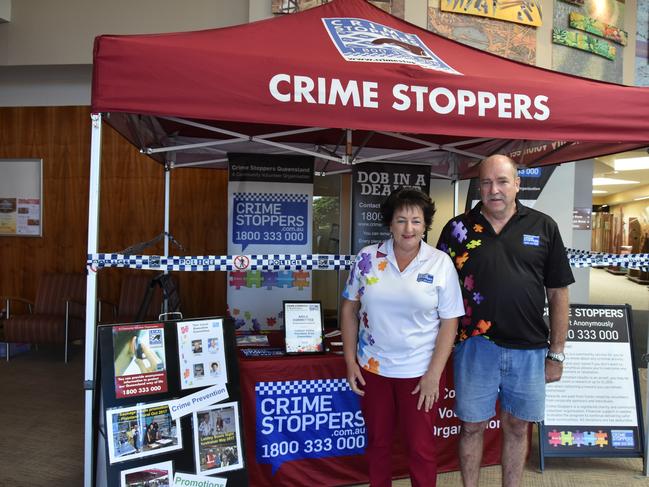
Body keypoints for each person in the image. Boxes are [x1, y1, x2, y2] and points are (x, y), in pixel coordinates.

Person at [436, 154, 574, 487]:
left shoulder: (543, 226)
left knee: (516, 426)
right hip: (474, 347)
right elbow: (436, 292)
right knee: (471, 427)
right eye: (486, 182)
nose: (494, 189)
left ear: (517, 184)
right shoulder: (457, 229)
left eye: (502, 181)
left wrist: (556, 353)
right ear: (478, 185)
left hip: (529, 349)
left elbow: (558, 294)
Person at [341, 187, 464, 487]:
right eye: (401, 220)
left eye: (416, 221)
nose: (409, 228)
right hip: (374, 369)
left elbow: (450, 322)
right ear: (389, 223)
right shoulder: (367, 258)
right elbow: (348, 310)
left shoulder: (440, 263)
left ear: (425, 225)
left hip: (420, 373)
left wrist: (434, 374)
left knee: (421, 451)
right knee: (378, 446)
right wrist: (349, 361)